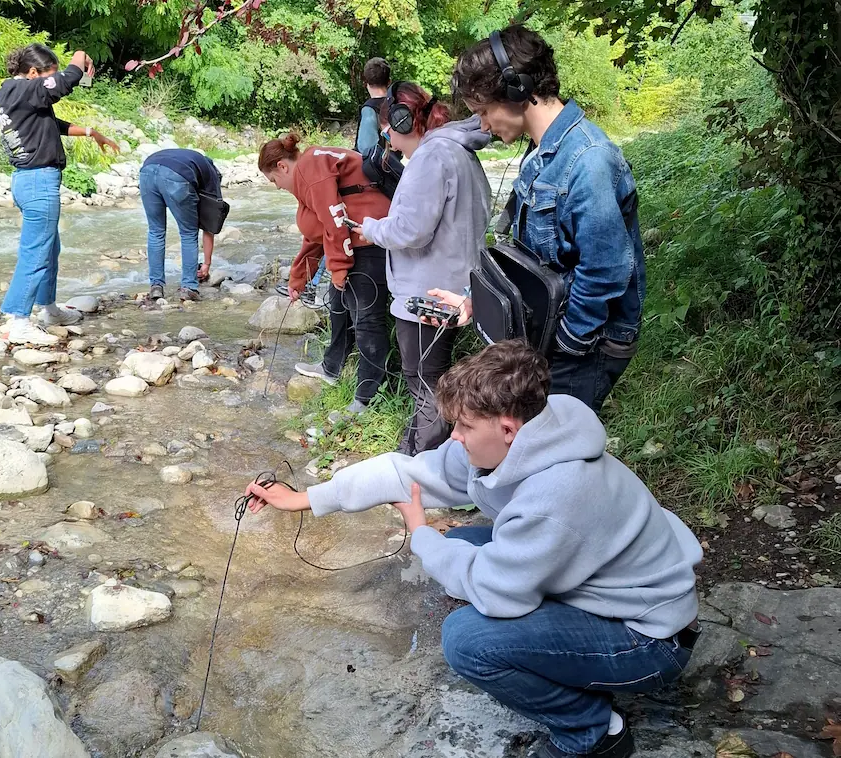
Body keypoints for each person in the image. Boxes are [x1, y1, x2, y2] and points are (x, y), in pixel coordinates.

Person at [244, 340, 703, 758]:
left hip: (648, 641)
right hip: (607, 587)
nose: (455, 437)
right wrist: (302, 498)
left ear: (506, 428)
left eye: (463, 426)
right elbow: (408, 473)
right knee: (461, 542)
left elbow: (500, 595)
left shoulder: (557, 495)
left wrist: (421, 533)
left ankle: (593, 731)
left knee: (468, 640)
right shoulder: (537, 426)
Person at [435, 25, 645, 412]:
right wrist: (478, 302)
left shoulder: (588, 160)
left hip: (582, 344)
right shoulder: (541, 152)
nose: (482, 125)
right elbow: (532, 263)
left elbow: (606, 270)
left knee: (555, 454)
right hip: (553, 338)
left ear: (517, 91)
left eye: (483, 111)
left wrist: (560, 344)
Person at [350, 81, 491, 455]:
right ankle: (432, 456)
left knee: (426, 380)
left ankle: (417, 464)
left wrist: (370, 228)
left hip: (429, 290)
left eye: (388, 125)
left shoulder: (431, 158)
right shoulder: (458, 151)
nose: (385, 134)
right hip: (456, 281)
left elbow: (410, 229)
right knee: (434, 376)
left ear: (403, 121)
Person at [259, 135, 392, 414]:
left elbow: (334, 220)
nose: (278, 187)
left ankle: (368, 399)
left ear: (282, 167)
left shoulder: (309, 168)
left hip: (371, 242)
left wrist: (339, 267)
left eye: (273, 180)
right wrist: (299, 278)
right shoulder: (308, 173)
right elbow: (316, 233)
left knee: (367, 321)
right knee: (338, 305)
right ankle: (331, 368)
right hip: (356, 239)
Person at [0, 44, 120, 346]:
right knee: (36, 251)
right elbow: (63, 82)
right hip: (37, 181)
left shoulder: (19, 94)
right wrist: (80, 55)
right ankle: (18, 321)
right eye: (46, 77)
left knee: (49, 248)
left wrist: (92, 132)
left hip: (33, 181)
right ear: (33, 73)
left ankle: (49, 310)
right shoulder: (21, 89)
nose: (48, 83)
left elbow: (52, 124)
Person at [138, 148, 223, 302]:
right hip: (176, 175)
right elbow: (209, 225)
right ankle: (189, 287)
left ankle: (156, 286)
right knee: (189, 232)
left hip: (147, 172)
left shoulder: (195, 160)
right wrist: (207, 264)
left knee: (156, 231)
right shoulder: (212, 176)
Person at [355, 57, 391, 157]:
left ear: (366, 83)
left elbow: (365, 148)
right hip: (395, 166)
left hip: (377, 169)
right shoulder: (396, 104)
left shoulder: (369, 109)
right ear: (389, 82)